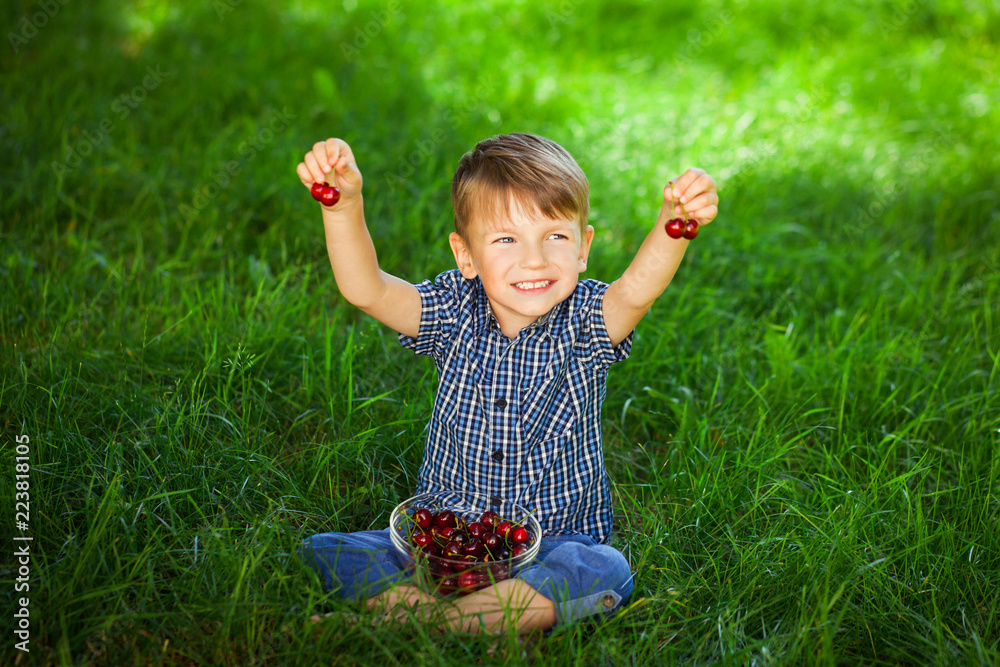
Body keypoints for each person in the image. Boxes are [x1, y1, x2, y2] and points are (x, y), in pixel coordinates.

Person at [296, 132, 718, 635]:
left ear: (583, 247)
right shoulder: (453, 311)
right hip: (446, 540)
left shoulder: (587, 323)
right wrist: (343, 206)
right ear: (466, 255)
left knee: (605, 569)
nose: (535, 259)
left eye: (555, 236)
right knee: (325, 552)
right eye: (505, 239)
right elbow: (367, 289)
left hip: (555, 543)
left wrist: (675, 227)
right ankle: (486, 622)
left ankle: (424, 618)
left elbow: (637, 289)